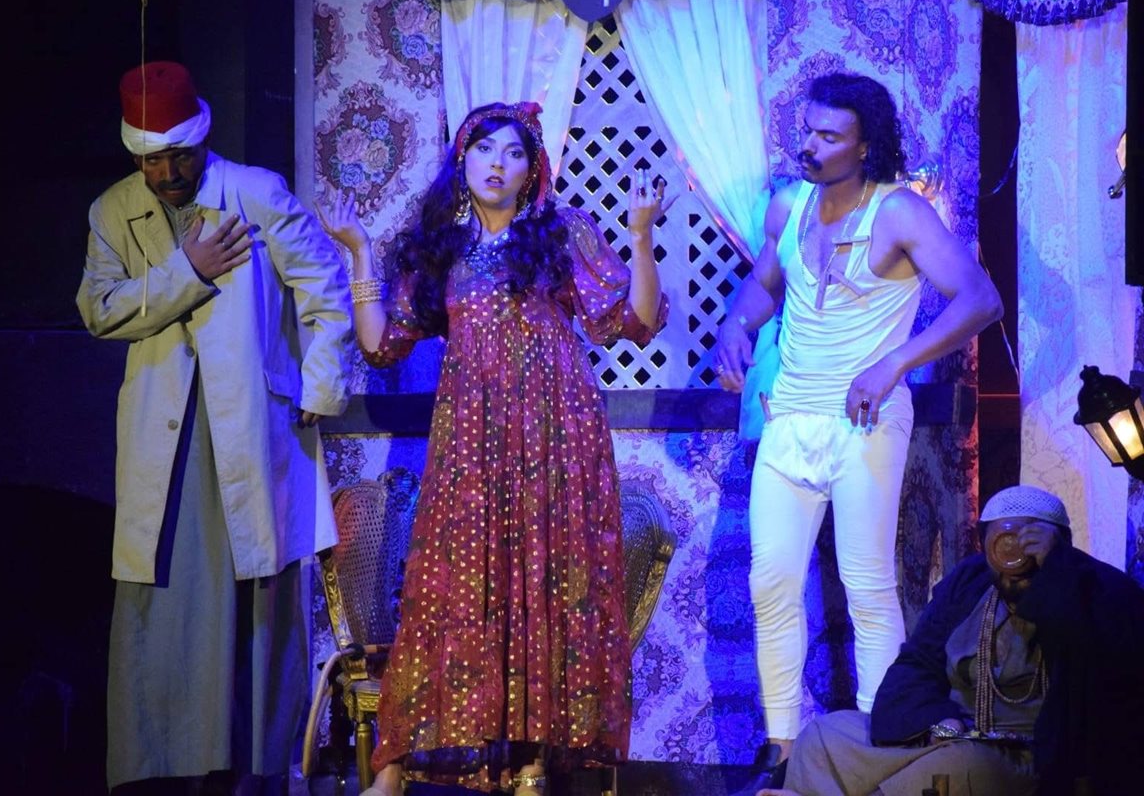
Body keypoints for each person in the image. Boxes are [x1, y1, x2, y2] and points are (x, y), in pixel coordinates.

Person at [319, 101, 668, 795]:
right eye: (484, 151)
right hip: (471, 445)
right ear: (463, 160)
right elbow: (380, 342)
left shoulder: (561, 233)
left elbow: (634, 320)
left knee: (545, 586)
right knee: (448, 587)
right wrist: (358, 252)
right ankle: (394, 767)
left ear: (531, 168)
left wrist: (640, 237)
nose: (497, 165)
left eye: (512, 153)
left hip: (555, 439)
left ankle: (533, 761)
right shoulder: (442, 249)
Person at [712, 72, 1004, 789]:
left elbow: (980, 298)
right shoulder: (789, 204)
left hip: (864, 421)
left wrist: (896, 362)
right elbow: (764, 284)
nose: (809, 146)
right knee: (770, 580)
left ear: (865, 145)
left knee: (866, 581)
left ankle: (880, 740)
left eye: (828, 135)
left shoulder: (898, 212)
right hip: (791, 418)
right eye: (807, 130)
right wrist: (736, 326)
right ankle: (781, 750)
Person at [76, 61, 351, 795]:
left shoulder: (255, 193)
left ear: (202, 138)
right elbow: (98, 310)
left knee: (257, 600)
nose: (168, 172)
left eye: (179, 155)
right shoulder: (113, 212)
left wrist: (318, 387)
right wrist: (186, 270)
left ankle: (255, 772)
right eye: (152, 160)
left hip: (250, 427)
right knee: (164, 599)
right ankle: (163, 773)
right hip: (164, 436)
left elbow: (325, 290)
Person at [757, 484, 1144, 796]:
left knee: (955, 770)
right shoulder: (970, 582)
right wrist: (934, 718)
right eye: (1003, 539)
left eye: (1029, 538)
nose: (1015, 552)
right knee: (825, 736)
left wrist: (1054, 574)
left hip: (1024, 753)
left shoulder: (1099, 590)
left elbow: (1098, 674)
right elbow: (917, 662)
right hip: (950, 732)